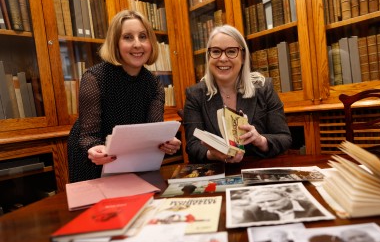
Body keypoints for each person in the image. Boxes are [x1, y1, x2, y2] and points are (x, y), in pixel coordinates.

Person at [67, 10, 181, 182]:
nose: (137, 44)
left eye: (143, 36)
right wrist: (94, 148)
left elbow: (152, 132)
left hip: (132, 158)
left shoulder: (154, 84)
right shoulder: (94, 78)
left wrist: (165, 143)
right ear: (115, 43)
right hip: (93, 161)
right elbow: (88, 136)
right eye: (128, 37)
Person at [183, 25, 292, 163]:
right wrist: (212, 154)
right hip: (218, 174)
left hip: (257, 170)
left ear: (243, 56)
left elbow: (284, 138)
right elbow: (193, 145)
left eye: (231, 51)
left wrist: (260, 140)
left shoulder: (264, 89)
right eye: (216, 51)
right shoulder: (195, 95)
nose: (223, 58)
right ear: (208, 57)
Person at [242, 188, 325, 222]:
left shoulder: (313, 207)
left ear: (287, 196)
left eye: (272, 200)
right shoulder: (251, 211)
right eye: (261, 202)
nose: (268, 205)